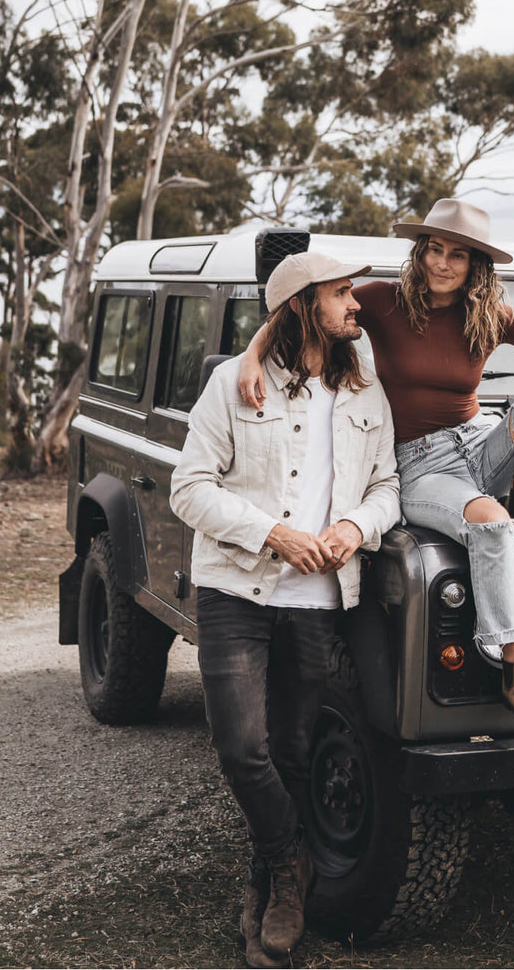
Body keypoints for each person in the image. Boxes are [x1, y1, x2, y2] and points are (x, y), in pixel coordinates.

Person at [238, 199, 514, 728]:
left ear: (476, 265)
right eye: (435, 249)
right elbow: (302, 304)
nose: (442, 264)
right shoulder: (384, 302)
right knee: (491, 526)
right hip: (419, 462)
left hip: (481, 444)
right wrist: (252, 355)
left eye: (458, 255)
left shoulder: (489, 315)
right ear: (421, 250)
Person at [171, 251, 399, 967]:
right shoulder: (232, 387)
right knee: (242, 747)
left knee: (294, 753)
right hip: (235, 589)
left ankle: (267, 887)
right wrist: (271, 532)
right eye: (340, 294)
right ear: (304, 304)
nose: (354, 304)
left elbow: (387, 484)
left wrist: (355, 528)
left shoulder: (366, 391)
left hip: (317, 599)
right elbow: (189, 488)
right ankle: (291, 859)